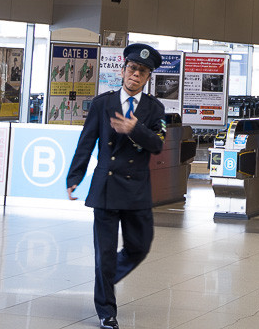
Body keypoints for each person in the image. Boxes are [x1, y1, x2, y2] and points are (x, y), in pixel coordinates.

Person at [66, 44, 166, 329]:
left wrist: (134, 129)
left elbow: (157, 145)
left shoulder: (154, 108)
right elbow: (86, 142)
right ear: (123, 70)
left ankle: (104, 279)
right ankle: (106, 311)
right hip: (106, 189)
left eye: (142, 72)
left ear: (148, 78)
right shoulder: (102, 104)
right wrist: (75, 177)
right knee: (105, 253)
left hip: (137, 191)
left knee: (139, 247)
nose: (136, 75)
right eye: (132, 69)